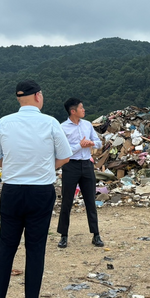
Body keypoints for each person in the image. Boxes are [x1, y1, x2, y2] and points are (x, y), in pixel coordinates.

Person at [0, 80, 72, 298]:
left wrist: (15, 163)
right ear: (38, 96)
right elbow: (64, 157)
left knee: (6, 246)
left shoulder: (4, 122)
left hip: (12, 190)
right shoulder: (50, 123)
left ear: (18, 98)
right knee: (35, 247)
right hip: (40, 191)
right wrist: (41, 165)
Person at [57, 97, 104, 248]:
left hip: (87, 165)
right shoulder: (62, 128)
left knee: (90, 200)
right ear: (73, 111)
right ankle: (63, 236)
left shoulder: (88, 125)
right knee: (67, 201)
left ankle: (96, 235)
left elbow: (98, 142)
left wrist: (90, 143)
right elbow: (64, 151)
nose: (84, 110)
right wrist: (80, 145)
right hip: (70, 166)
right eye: (81, 108)